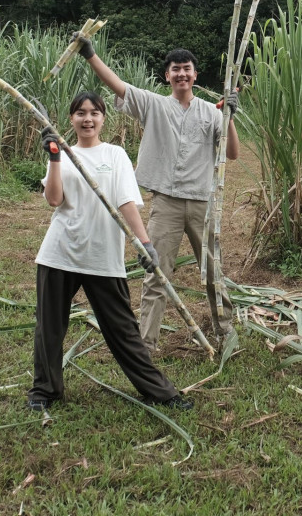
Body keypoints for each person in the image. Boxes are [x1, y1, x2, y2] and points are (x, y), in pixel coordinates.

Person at [25, 92, 193, 412]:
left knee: (122, 330)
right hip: (59, 252)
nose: (87, 119)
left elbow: (126, 203)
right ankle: (44, 392)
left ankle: (160, 391)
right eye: (80, 113)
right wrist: (54, 156)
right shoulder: (63, 152)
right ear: (71, 119)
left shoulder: (115, 155)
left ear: (103, 118)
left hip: (102, 254)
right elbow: (54, 200)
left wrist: (145, 244)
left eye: (94, 113)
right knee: (49, 327)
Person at [73, 33, 239, 350]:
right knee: (156, 273)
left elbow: (231, 153)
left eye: (186, 68)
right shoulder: (153, 105)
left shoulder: (210, 112)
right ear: (167, 75)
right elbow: (117, 86)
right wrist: (90, 55)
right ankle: (146, 343)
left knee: (212, 271)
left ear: (195, 74)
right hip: (166, 203)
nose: (181, 73)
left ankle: (225, 330)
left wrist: (230, 117)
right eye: (175, 69)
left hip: (203, 203)